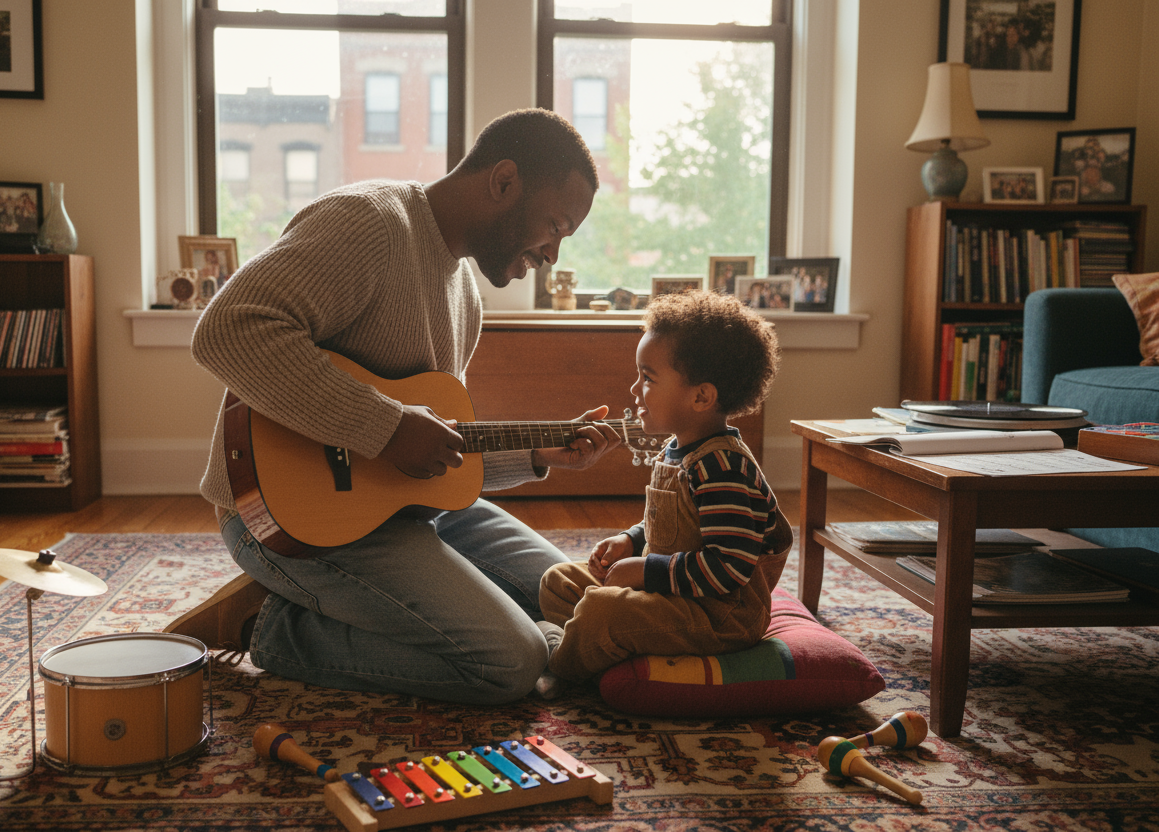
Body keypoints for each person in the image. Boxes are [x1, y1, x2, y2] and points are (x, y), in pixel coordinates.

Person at [166, 108, 622, 706]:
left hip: (401, 510)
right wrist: (384, 427)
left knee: (578, 599)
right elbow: (227, 330)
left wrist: (537, 455)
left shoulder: (465, 294)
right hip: (289, 523)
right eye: (556, 226)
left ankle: (359, 605)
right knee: (513, 663)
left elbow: (432, 450)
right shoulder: (369, 223)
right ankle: (269, 627)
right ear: (504, 181)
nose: (554, 255)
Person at [535, 290, 792, 696]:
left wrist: (644, 571)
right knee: (559, 581)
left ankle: (561, 668)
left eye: (648, 378)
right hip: (676, 596)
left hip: (719, 616)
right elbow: (671, 521)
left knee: (602, 610)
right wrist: (631, 540)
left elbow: (728, 567)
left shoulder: (723, 467)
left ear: (701, 397)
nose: (635, 389)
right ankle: (597, 648)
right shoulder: (678, 448)